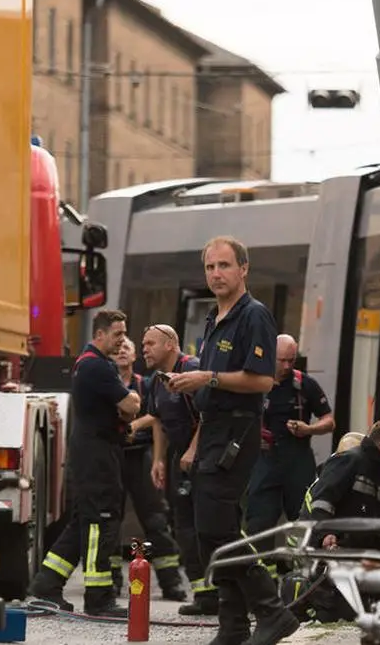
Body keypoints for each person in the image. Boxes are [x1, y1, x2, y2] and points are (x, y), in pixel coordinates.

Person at [166, 236, 299, 645]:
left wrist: (208, 378)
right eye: (210, 267)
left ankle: (272, 612)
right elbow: (213, 385)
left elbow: (262, 379)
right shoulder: (213, 317)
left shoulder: (254, 315)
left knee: (216, 527)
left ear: (244, 269)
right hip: (213, 429)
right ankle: (234, 625)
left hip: (237, 431)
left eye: (224, 266)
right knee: (213, 532)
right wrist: (191, 388)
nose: (216, 274)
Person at [28, 310, 140, 616]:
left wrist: (124, 410)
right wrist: (128, 406)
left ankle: (46, 585)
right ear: (100, 334)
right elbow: (131, 404)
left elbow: (124, 409)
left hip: (95, 453)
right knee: (98, 525)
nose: (122, 341)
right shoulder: (96, 367)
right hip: (97, 456)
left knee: (81, 523)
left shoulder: (94, 363)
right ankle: (98, 597)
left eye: (124, 334)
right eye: (117, 334)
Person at [279, 420, 380, 624]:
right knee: (332, 612)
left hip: (353, 554)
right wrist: (326, 535)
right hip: (327, 551)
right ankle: (298, 589)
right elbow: (322, 502)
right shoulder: (350, 461)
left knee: (358, 610)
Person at [141, 323, 220, 616]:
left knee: (209, 525)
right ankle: (204, 595)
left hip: (205, 456)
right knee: (184, 528)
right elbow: (159, 420)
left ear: (170, 345)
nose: (144, 349)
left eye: (150, 343)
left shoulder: (192, 371)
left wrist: (192, 449)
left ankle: (228, 592)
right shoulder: (155, 380)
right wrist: (159, 459)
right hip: (180, 458)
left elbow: (209, 413)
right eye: (143, 343)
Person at [245, 333, 335, 573]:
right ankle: (261, 577)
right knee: (259, 522)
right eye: (281, 360)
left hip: (298, 460)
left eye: (291, 360)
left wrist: (308, 429)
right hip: (264, 461)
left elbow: (329, 421)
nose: (286, 366)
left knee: (303, 519)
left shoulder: (304, 385)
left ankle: (300, 574)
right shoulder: (253, 383)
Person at [110, 339, 187, 601]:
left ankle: (171, 582)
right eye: (118, 348)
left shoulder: (146, 384)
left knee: (155, 518)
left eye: (127, 349)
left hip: (140, 457)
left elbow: (158, 420)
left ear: (134, 357)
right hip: (113, 457)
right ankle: (111, 582)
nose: (122, 351)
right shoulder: (106, 381)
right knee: (110, 520)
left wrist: (158, 459)